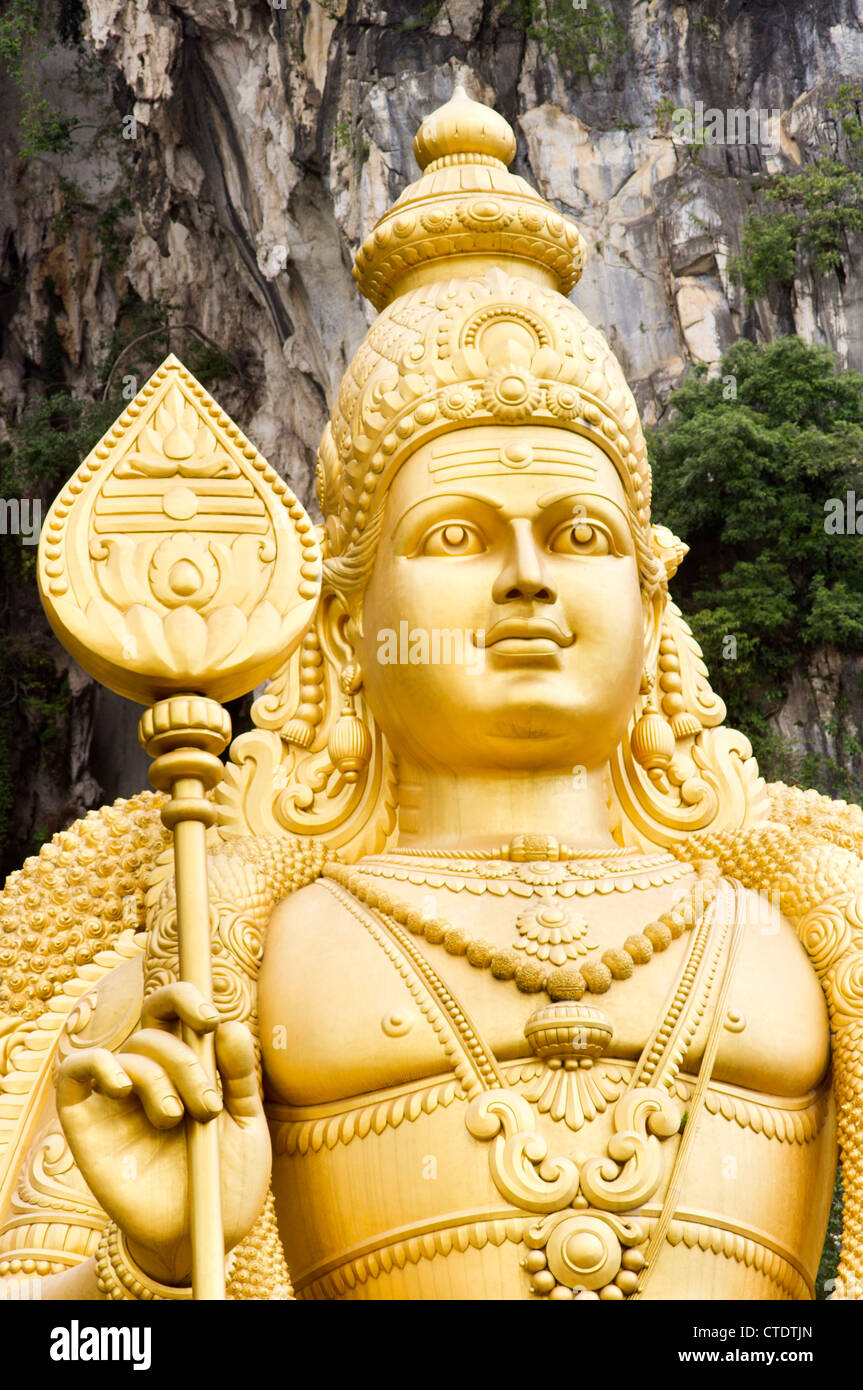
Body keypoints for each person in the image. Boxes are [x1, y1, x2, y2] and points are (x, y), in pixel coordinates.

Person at [1, 88, 861, 1301]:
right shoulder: (193, 961)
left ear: (651, 594)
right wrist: (142, 1265)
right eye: (457, 535)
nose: (525, 580)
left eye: (576, 532)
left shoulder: (820, 928)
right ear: (345, 619)